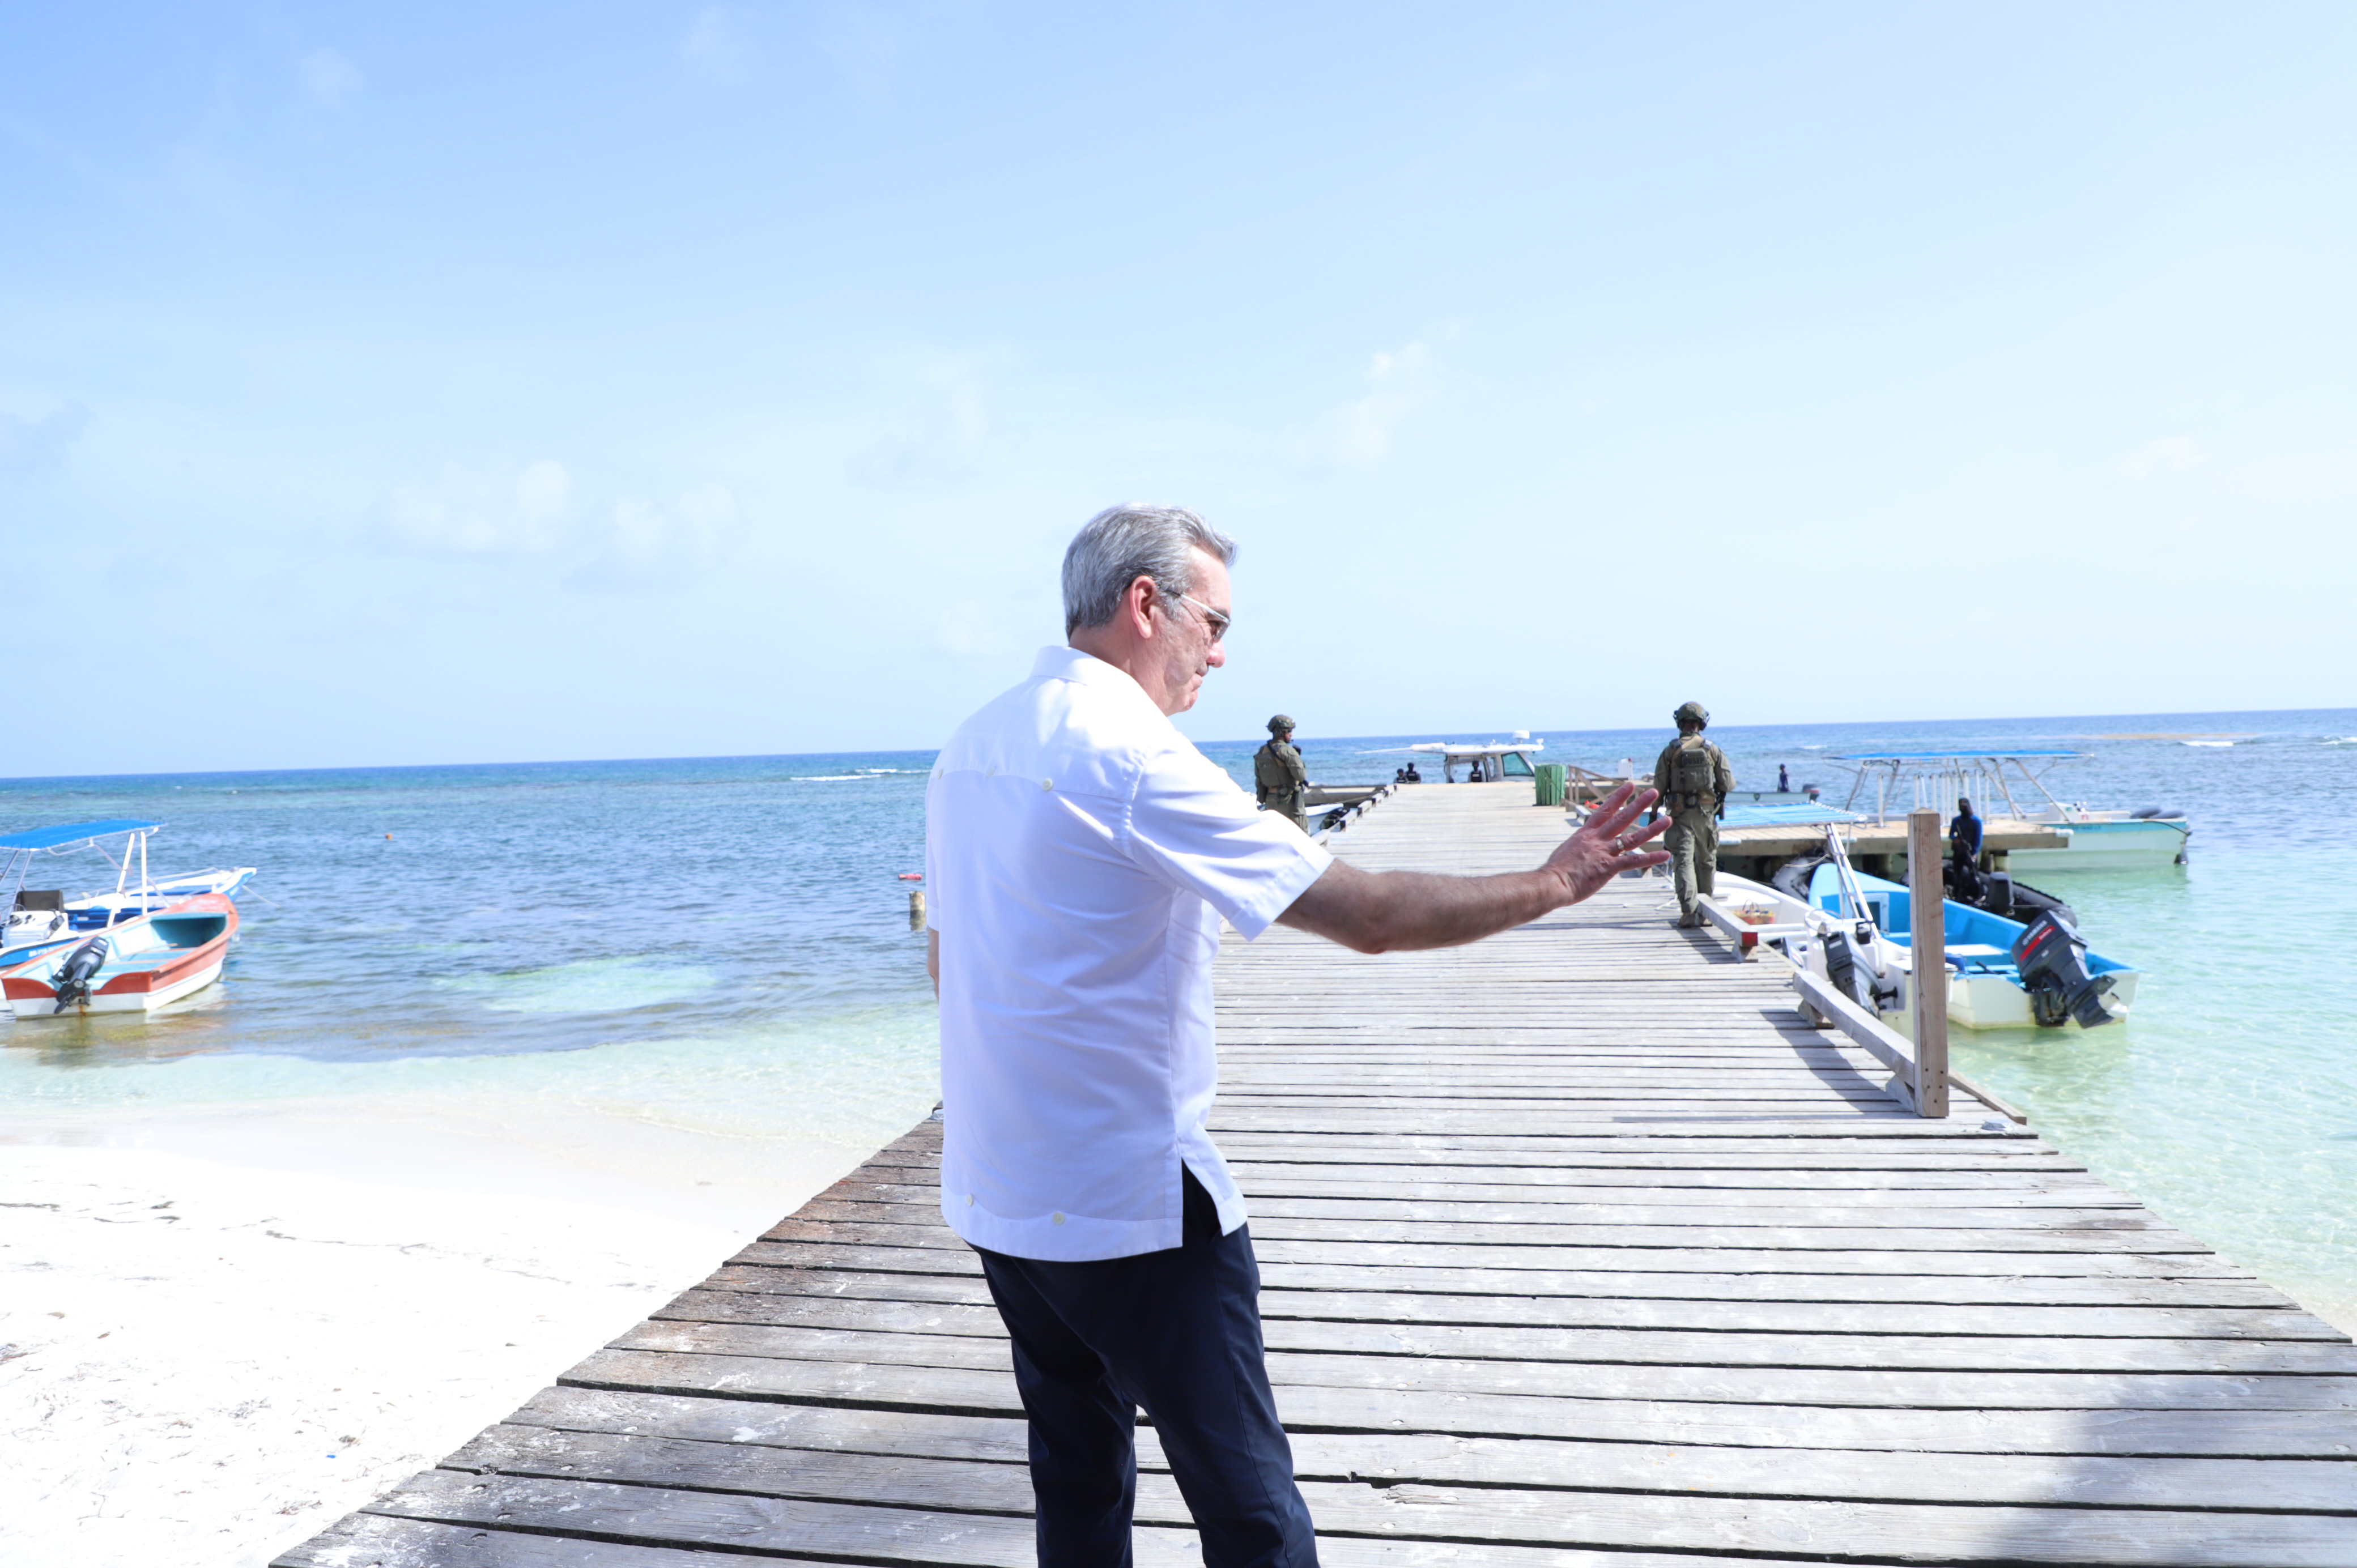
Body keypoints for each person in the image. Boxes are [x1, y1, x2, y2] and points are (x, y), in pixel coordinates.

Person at [925, 504, 1670, 1567]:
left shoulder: (970, 745)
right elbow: (1368, 915)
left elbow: (948, 965)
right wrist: (1556, 881)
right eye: (1215, 623)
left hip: (999, 1191)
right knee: (1250, 1511)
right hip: (1134, 1208)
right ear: (1147, 604)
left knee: (1077, 1482)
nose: (1220, 654)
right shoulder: (1133, 754)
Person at [1651, 701, 1734, 927]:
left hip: (1679, 815)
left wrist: (1654, 813)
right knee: (1706, 861)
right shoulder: (1712, 749)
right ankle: (1706, 913)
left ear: (1680, 723)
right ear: (1702, 724)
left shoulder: (1671, 751)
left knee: (1684, 862)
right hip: (1706, 815)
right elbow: (1728, 784)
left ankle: (1689, 912)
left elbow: (1658, 787)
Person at [1254, 716, 1311, 833]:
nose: (1291, 734)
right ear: (1280, 732)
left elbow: (1259, 778)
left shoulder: (1262, 750)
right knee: (1300, 835)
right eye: (1289, 731)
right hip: (1289, 801)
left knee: (1276, 835)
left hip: (1270, 800)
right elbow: (1301, 775)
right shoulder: (1287, 751)